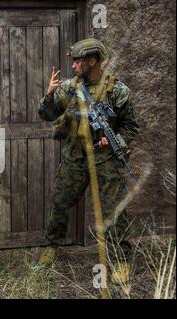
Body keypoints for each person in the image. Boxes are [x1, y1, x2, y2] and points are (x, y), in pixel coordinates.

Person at [37, 38, 140, 285]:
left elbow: (131, 127)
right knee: (60, 201)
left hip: (106, 159)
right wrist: (49, 96)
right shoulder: (70, 88)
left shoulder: (118, 91)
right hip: (76, 156)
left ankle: (122, 260)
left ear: (92, 61)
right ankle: (52, 246)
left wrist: (113, 139)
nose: (73, 66)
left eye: (78, 61)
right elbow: (47, 115)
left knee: (114, 210)